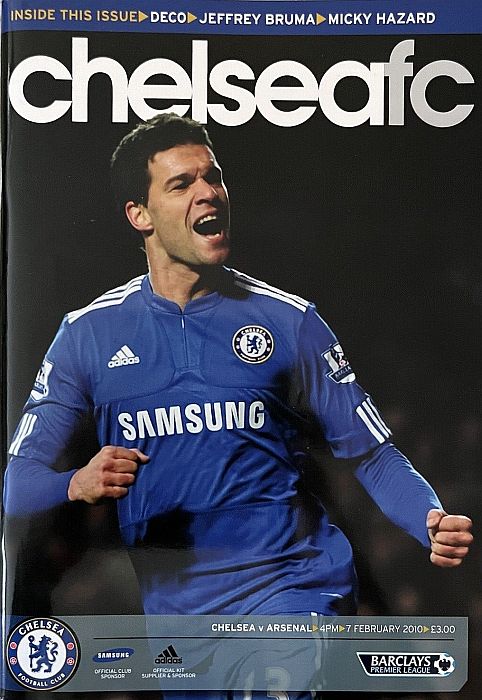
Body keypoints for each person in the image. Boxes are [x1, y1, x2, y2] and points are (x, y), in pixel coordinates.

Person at [4, 114, 473, 698]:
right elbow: (16, 485)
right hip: (180, 626)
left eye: (214, 177)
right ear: (140, 215)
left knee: (273, 685)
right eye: (182, 184)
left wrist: (427, 518)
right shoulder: (87, 336)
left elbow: (371, 453)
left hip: (294, 586)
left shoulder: (290, 321)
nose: (209, 193)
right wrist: (75, 483)